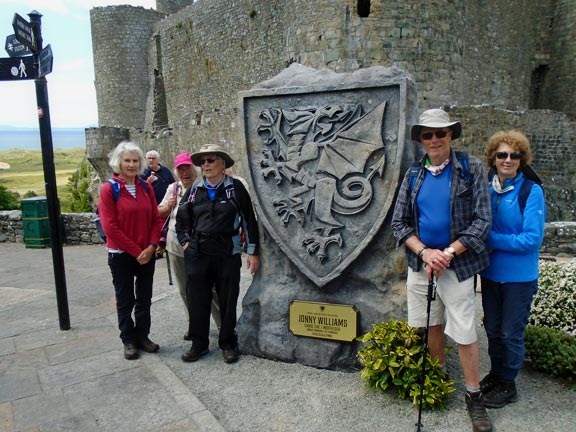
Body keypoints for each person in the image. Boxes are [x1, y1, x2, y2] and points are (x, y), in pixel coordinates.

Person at [391, 109, 493, 432]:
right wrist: (425, 252)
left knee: (464, 330)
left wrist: (447, 253)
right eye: (427, 135)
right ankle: (436, 381)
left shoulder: (471, 168)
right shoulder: (413, 175)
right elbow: (399, 223)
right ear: (421, 139)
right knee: (430, 323)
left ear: (450, 135)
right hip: (422, 264)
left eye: (440, 134)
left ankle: (473, 395)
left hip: (457, 264)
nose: (434, 140)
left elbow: (482, 222)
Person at [479, 131, 546, 408]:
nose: (508, 160)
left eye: (514, 155)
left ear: (522, 160)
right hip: (491, 274)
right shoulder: (486, 187)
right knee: (493, 329)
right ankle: (496, 373)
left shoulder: (531, 191)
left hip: (519, 278)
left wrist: (490, 238)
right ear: (493, 158)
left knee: (510, 332)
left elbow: (532, 239)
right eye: (502, 154)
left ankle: (508, 383)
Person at [176, 144, 260, 364]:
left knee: (228, 298)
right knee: (197, 299)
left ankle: (228, 343)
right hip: (198, 252)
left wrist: (252, 252)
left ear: (223, 164)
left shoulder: (236, 188)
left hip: (227, 252)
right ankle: (199, 344)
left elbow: (248, 221)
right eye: (202, 162)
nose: (205, 165)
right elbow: (181, 220)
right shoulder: (194, 188)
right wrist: (186, 244)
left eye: (210, 160)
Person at [98, 141, 163, 360]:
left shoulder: (146, 187)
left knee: (144, 298)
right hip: (122, 255)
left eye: (135, 161)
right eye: (127, 160)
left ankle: (143, 336)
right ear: (119, 162)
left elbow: (155, 219)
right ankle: (128, 340)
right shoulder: (109, 189)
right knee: (125, 299)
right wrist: (138, 251)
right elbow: (110, 228)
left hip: (147, 251)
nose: (132, 165)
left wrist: (152, 246)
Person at [157, 153, 221, 338]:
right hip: (175, 246)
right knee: (185, 288)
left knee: (210, 287)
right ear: (176, 171)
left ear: (195, 169)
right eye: (180, 168)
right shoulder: (173, 189)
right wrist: (168, 206)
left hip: (200, 246)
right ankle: (194, 325)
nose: (184, 172)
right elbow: (159, 213)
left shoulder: (203, 186)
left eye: (187, 167)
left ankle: (222, 325)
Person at [142, 150, 176, 258]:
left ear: (158, 160)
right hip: (149, 206)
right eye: (149, 158)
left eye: (153, 158)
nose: (151, 160)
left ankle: (160, 249)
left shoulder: (165, 171)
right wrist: (148, 183)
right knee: (151, 227)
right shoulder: (143, 173)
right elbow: (138, 190)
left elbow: (173, 185)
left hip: (164, 206)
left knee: (162, 227)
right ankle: (154, 248)